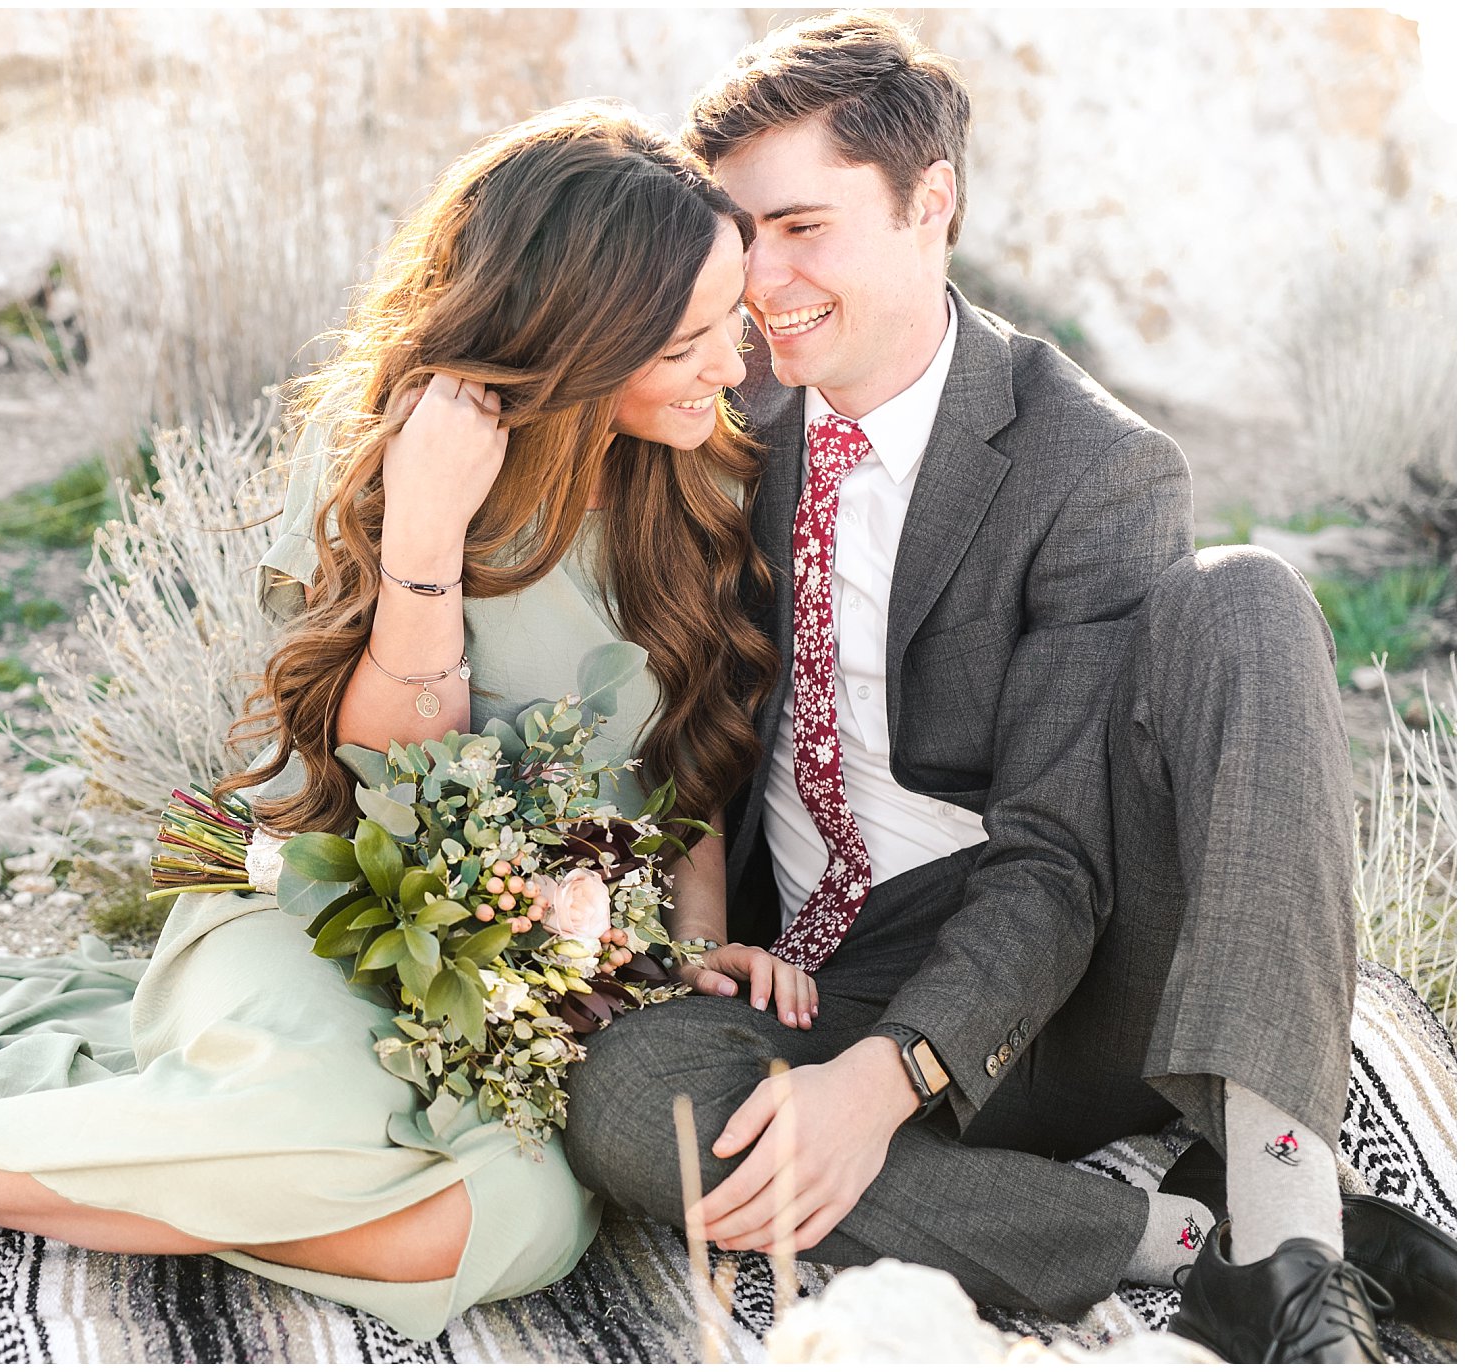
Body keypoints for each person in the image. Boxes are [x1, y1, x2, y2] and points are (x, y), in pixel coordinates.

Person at [0, 100, 780, 1342]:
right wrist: (424, 536)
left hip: (539, 964)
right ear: (574, 337)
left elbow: (691, 762)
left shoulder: (706, 472)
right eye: (685, 342)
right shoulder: (394, 462)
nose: (731, 365)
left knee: (517, 1219)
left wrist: (690, 951)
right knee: (301, 1118)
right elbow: (387, 769)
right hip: (314, 899)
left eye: (730, 319)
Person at [561, 11, 1455, 1364]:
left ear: (935, 206)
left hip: (1070, 968)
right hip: (824, 971)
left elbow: (1053, 859)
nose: (765, 283)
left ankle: (1282, 1238)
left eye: (804, 227)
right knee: (634, 1105)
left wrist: (889, 1081)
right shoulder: (712, 420)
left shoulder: (1087, 463)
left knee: (1247, 597)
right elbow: (679, 720)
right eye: (744, 238)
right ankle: (1187, 1245)